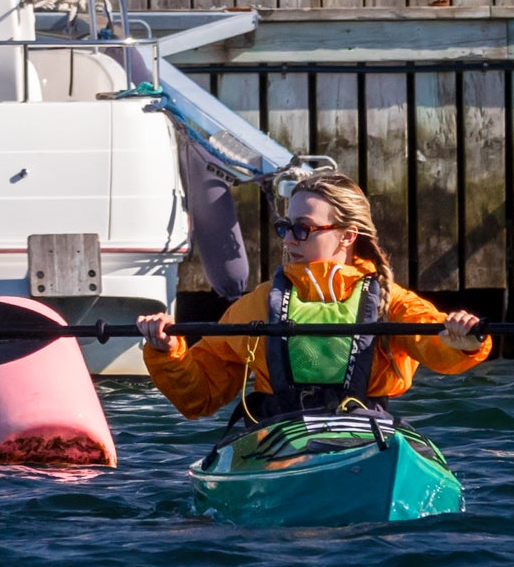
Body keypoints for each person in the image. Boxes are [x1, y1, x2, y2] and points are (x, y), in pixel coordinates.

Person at [141, 173, 488, 422]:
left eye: (303, 228)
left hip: (364, 432)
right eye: (285, 227)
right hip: (275, 438)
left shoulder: (390, 301)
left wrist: (462, 338)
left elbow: (436, 346)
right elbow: (199, 397)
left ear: (347, 236)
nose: (289, 239)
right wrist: (167, 353)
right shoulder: (258, 306)